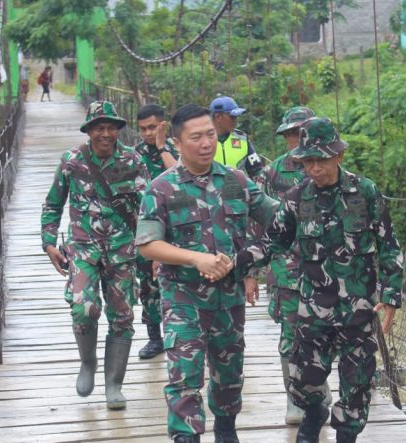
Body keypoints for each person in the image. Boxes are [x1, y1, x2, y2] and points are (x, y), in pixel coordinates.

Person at [236, 117, 404, 443]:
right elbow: (271, 242)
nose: (314, 168)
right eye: (308, 161)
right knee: (305, 379)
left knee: (357, 385)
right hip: (314, 309)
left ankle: (346, 435)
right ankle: (315, 412)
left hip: (359, 308)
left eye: (321, 160)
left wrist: (392, 294)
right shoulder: (298, 199)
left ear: (338, 156)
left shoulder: (366, 193)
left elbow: (389, 246)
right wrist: (235, 265)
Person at [135, 104, 278, 443]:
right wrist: (195, 259)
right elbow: (148, 245)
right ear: (177, 142)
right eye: (196, 137)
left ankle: (226, 431)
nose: (206, 143)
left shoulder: (236, 181)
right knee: (184, 376)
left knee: (229, 375)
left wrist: (252, 259)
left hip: (228, 299)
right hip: (183, 298)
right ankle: (187, 437)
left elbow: (277, 218)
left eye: (210, 135)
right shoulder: (162, 188)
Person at [41, 101, 148, 410]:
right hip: (83, 249)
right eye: (98, 127)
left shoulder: (133, 161)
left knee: (122, 317)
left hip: (122, 251)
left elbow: (151, 206)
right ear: (88, 131)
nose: (105, 133)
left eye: (110, 127)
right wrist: (49, 243)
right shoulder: (72, 161)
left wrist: (154, 247)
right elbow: (52, 203)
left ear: (117, 130)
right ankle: (88, 362)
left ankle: (114, 384)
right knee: (83, 308)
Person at [254, 106, 332, 426]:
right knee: (291, 334)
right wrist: (251, 271)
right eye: (290, 134)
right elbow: (257, 221)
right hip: (286, 267)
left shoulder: (329, 168)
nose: (295, 139)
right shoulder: (272, 174)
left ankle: (318, 386)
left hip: (325, 266)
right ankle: (295, 400)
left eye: (301, 132)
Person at [134, 104, 179, 359]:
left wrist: (162, 147)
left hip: (178, 227)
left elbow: (182, 174)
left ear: (163, 125)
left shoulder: (177, 148)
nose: (147, 134)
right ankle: (154, 338)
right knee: (149, 286)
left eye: (152, 127)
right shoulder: (135, 154)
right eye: (143, 129)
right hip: (148, 228)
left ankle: (182, 334)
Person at [209, 95, 263, 179]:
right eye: (232, 117)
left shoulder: (242, 139)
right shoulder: (203, 140)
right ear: (218, 117)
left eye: (237, 117)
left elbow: (257, 171)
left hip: (238, 190)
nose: (236, 120)